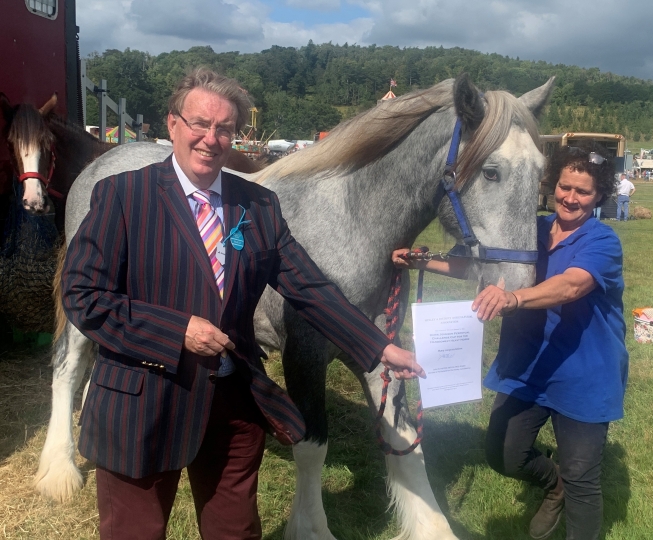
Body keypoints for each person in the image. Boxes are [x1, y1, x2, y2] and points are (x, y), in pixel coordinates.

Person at [62, 68, 424, 540]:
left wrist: (377, 346)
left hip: (232, 405)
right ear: (172, 125)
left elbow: (309, 287)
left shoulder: (258, 205)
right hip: (143, 404)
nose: (211, 139)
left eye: (224, 129)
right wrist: (176, 331)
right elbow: (83, 295)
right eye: (198, 124)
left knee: (235, 532)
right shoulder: (122, 196)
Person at [392, 143, 628, 540]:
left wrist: (514, 298)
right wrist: (422, 260)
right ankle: (554, 485)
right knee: (503, 455)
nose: (570, 198)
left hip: (584, 374)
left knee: (582, 477)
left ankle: (569, 492)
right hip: (526, 367)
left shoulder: (602, 241)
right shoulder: (530, 230)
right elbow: (475, 264)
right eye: (564, 187)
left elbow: (572, 285)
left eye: (583, 192)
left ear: (599, 195)